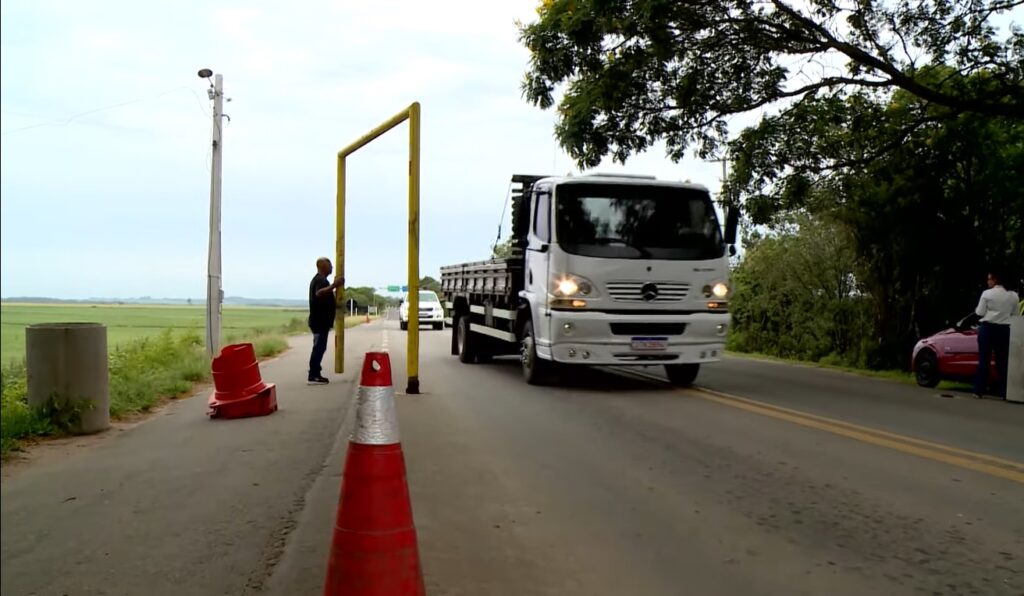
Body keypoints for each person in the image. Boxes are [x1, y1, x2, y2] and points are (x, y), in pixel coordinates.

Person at [973, 270, 1019, 399]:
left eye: (989, 279)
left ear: (995, 280)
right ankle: (1005, 391)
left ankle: (979, 389)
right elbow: (1015, 315)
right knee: (1002, 361)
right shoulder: (1013, 296)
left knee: (984, 359)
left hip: (988, 328)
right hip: (1004, 329)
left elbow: (980, 312)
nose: (988, 282)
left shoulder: (987, 294)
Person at [308, 257, 343, 385]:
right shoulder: (321, 281)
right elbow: (319, 294)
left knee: (319, 347)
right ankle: (314, 375)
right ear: (323, 267)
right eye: (330, 266)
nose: (332, 268)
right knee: (318, 348)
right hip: (319, 321)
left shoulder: (321, 280)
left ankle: (315, 373)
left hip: (320, 321)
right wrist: (335, 285)